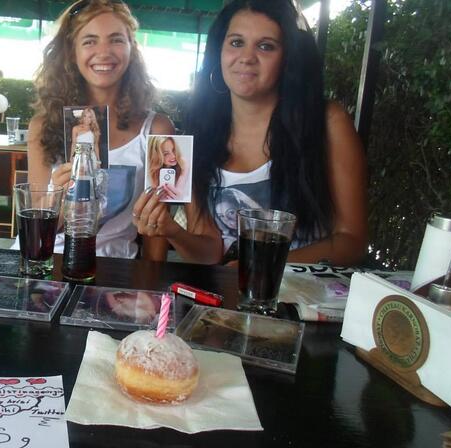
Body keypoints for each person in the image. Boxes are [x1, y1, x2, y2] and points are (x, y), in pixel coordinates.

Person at [134, 0, 367, 266]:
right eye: (236, 42)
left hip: (304, 292)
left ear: (287, 59)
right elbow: (210, 253)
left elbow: (352, 241)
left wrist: (262, 267)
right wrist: (172, 231)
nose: (246, 57)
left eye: (265, 46)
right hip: (229, 291)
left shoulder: (327, 122)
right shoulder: (199, 136)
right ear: (219, 52)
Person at [27, 0, 175, 260]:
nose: (104, 52)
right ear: (71, 52)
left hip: (117, 269)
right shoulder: (43, 125)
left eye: (116, 40)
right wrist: (57, 197)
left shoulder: (157, 129)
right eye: (89, 41)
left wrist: (153, 278)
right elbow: (35, 231)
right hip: (48, 261)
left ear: (132, 49)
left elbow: (156, 228)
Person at [146, 136, 188, 200]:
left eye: (174, 150)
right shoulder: (153, 170)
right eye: (166, 154)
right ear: (156, 156)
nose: (173, 156)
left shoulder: (183, 163)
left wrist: (178, 196)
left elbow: (179, 190)